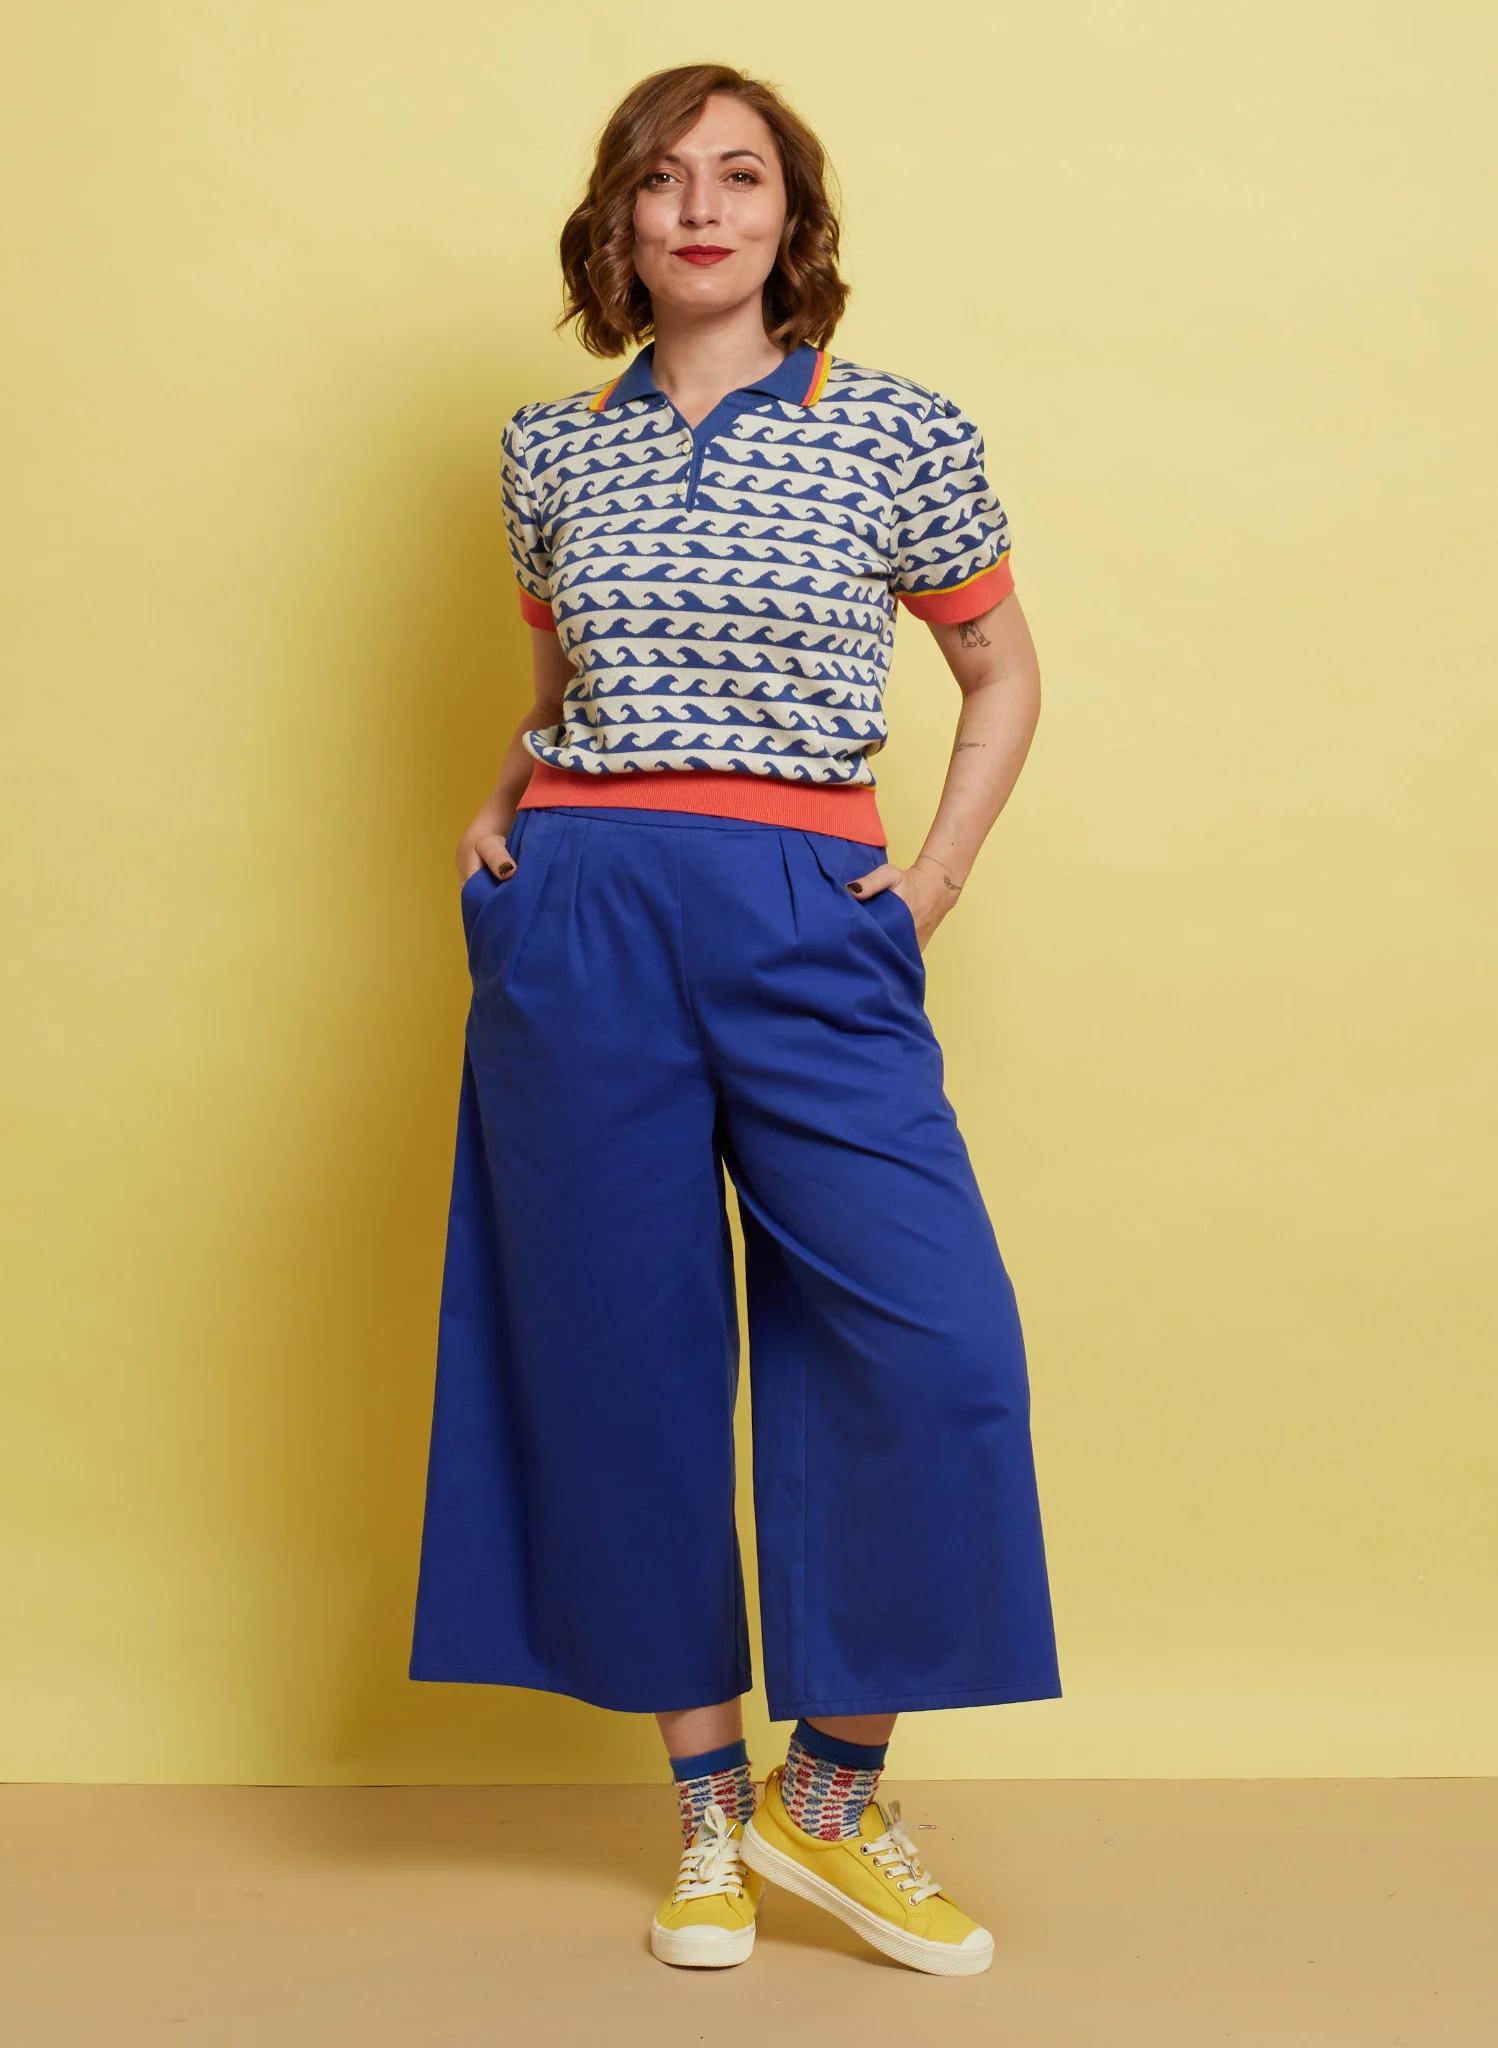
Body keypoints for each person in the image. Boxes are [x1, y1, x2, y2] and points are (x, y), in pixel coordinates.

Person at [409, 61, 1061, 1977]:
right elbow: (560, 689)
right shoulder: (550, 449)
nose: (700, 208)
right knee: (615, 1357)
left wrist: (931, 879)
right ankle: (707, 1810)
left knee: (934, 1336)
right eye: (662, 179)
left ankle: (824, 1798)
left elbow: (1002, 671)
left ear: (794, 216)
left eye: (740, 176)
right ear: (616, 221)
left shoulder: (896, 431)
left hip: (807, 913)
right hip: (581, 916)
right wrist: (500, 807)